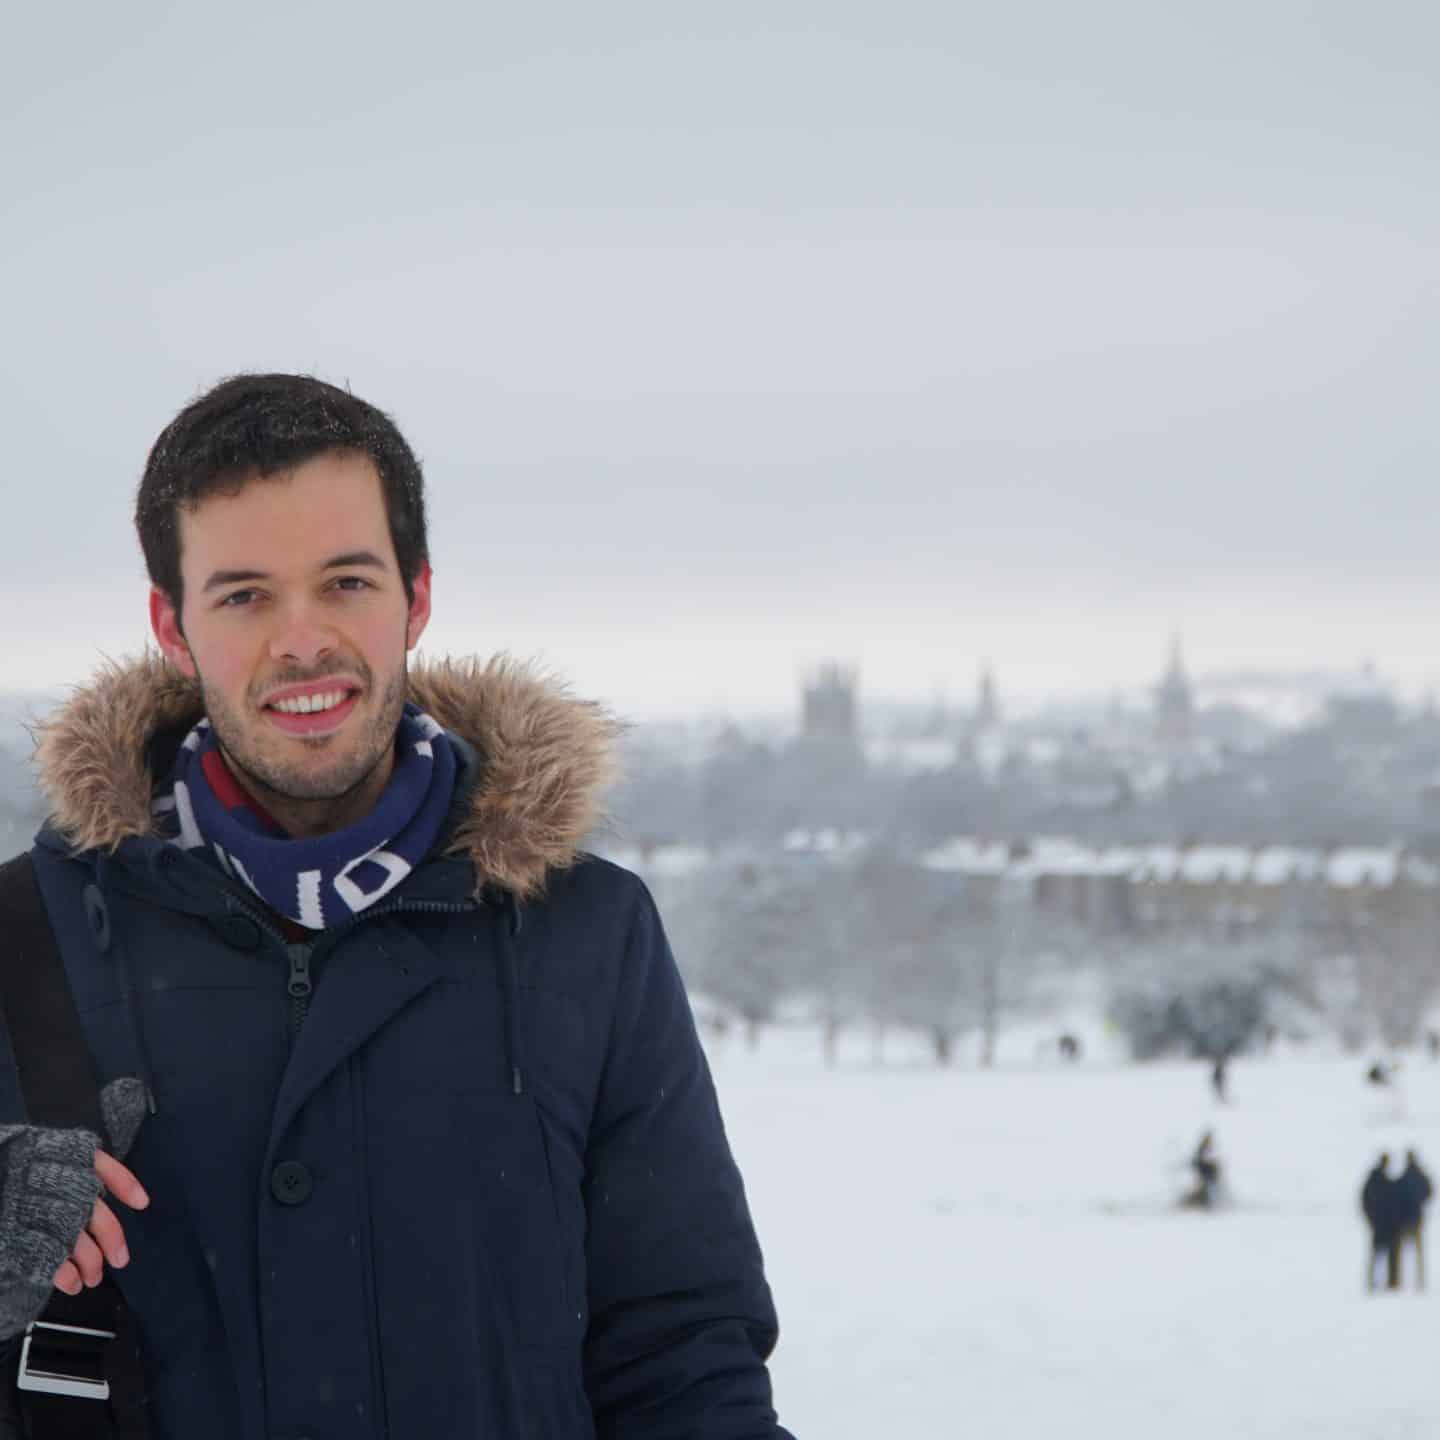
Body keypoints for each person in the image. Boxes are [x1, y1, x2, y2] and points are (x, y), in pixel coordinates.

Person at [0, 374, 793, 1439]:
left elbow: (685, 1363)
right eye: (243, 595)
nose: (302, 641)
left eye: (346, 583)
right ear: (172, 626)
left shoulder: (585, 936)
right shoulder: (22, 943)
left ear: (416, 597)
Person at [1361, 1152, 1403, 1292]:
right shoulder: (1385, 1181)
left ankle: (1383, 1282)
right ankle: (1381, 1282)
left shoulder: (1379, 1180)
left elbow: (1365, 1201)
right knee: (1382, 1255)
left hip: (1384, 1224)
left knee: (1382, 1255)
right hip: (1383, 1224)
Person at [1393, 1149, 1433, 1291]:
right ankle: (1419, 1280)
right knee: (1418, 1252)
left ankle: (1402, 1280)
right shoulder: (1420, 1176)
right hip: (1416, 1218)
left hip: (1405, 1220)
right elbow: (1429, 1191)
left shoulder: (1402, 1178)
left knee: (1402, 1251)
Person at [1181, 1129, 1222, 1210]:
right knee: (1204, 1191)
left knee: (1207, 1191)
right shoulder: (1202, 1149)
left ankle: (1202, 1202)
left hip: (1208, 1177)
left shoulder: (1207, 1150)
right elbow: (1198, 1162)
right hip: (1205, 1176)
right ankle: (1196, 1203)